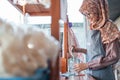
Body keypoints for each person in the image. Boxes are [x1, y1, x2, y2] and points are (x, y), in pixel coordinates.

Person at [73, 0, 120, 80]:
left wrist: (87, 65)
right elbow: (96, 52)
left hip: (103, 75)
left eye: (89, 14)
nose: (88, 18)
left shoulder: (109, 28)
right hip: (92, 74)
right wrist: (79, 50)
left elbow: (113, 57)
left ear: (98, 11)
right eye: (86, 15)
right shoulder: (93, 27)